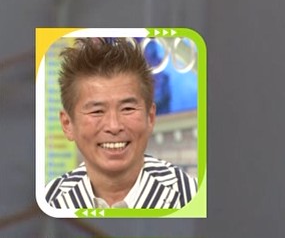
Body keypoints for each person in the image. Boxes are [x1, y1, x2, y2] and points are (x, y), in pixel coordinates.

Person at [42, 38, 198, 211]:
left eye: (127, 108)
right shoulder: (49, 203)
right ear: (67, 124)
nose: (114, 126)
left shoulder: (191, 197)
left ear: (150, 117)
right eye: (97, 111)